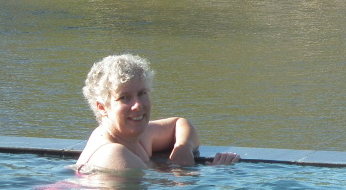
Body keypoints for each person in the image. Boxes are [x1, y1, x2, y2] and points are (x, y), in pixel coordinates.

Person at [76, 54, 239, 173]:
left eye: (142, 93)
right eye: (124, 98)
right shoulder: (114, 154)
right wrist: (216, 173)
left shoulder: (134, 137)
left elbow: (179, 124)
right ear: (102, 107)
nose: (137, 105)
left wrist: (183, 147)